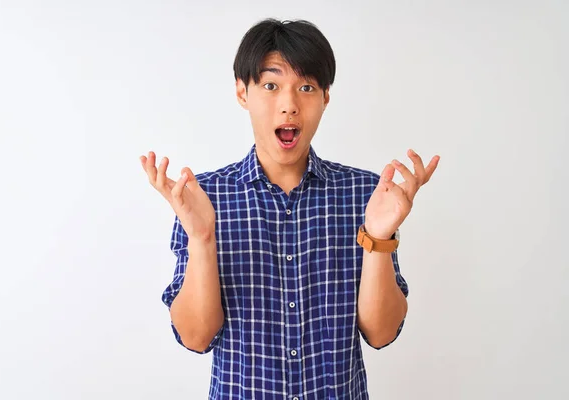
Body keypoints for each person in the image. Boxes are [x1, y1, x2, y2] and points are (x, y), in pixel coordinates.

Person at [140, 18, 439, 400]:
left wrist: (378, 237)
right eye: (270, 85)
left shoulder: (367, 194)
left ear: (325, 97)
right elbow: (196, 338)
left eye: (307, 87)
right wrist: (202, 237)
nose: (289, 105)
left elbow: (381, 334)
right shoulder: (202, 196)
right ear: (241, 93)